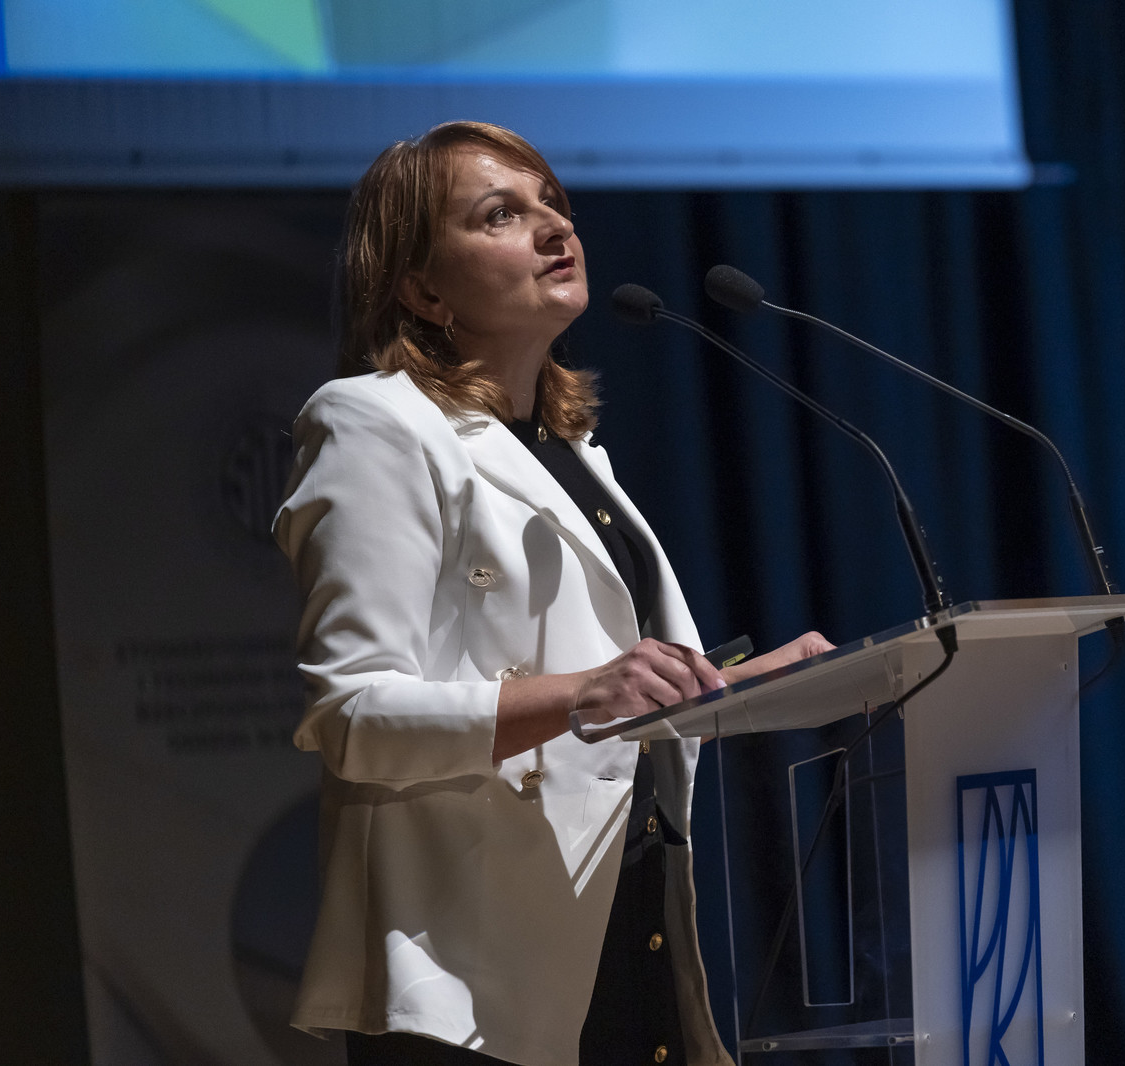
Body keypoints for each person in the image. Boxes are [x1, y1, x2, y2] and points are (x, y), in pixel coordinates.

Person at [273, 120, 833, 1066]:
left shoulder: (568, 452)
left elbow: (615, 694)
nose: (553, 228)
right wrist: (580, 694)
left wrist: (739, 686)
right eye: (500, 214)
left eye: (553, 204)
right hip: (470, 978)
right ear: (422, 289)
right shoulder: (372, 423)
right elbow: (352, 714)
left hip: (623, 914)